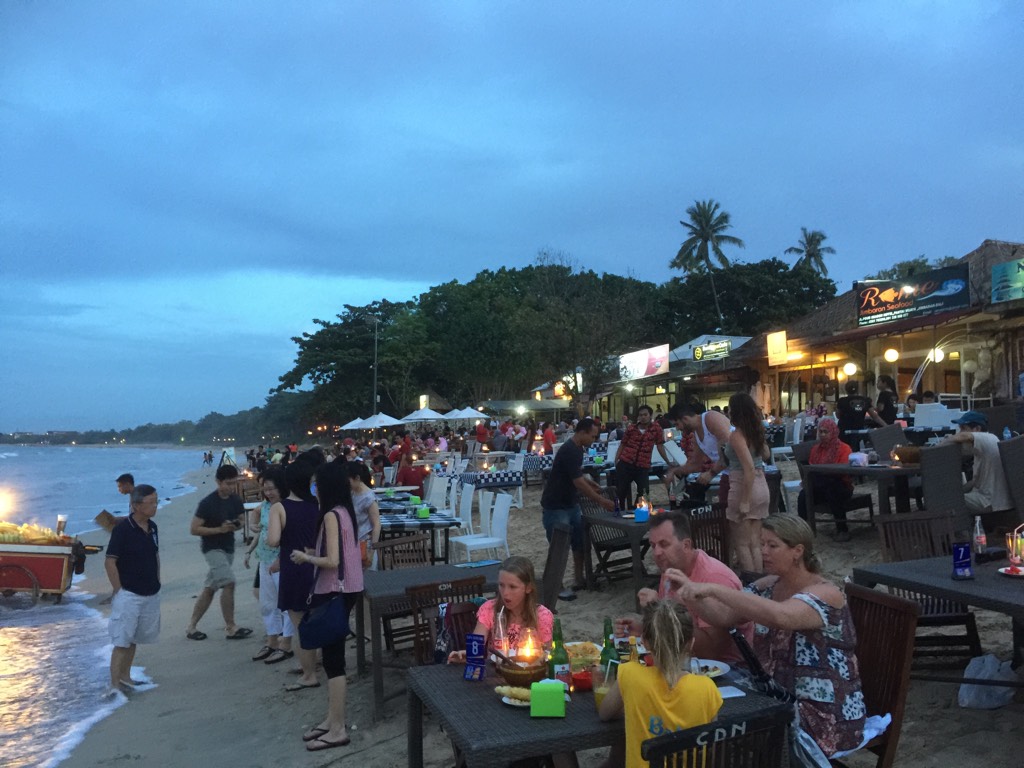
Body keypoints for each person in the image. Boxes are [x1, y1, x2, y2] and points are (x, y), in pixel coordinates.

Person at [669, 515, 866, 759]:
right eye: (762, 544)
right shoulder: (769, 585)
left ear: (797, 551)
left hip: (823, 713)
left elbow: (782, 616)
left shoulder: (827, 593)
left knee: (721, 720)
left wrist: (714, 588)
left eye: (772, 546)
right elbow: (724, 617)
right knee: (700, 701)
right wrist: (688, 592)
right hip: (773, 696)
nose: (763, 552)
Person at [288, 459, 362, 752]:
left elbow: (333, 561)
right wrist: (312, 551)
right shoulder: (345, 512)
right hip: (346, 590)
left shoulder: (332, 515)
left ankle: (338, 728)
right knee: (333, 659)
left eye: (316, 484)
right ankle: (331, 721)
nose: (313, 489)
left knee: (334, 661)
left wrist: (306, 558)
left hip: (335, 591)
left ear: (326, 486)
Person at [614, 510, 751, 663]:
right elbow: (672, 627)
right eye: (653, 545)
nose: (657, 552)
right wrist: (645, 628)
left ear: (686, 545)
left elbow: (711, 650)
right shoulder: (671, 568)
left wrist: (661, 613)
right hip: (683, 660)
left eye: (664, 544)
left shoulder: (713, 578)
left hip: (726, 670)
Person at [600, 600, 722, 768]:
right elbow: (710, 749)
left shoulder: (630, 674)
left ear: (645, 642)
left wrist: (633, 702)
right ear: (690, 643)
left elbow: (605, 713)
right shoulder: (707, 688)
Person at [268, 453, 325, 690]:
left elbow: (273, 540)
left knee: (300, 624)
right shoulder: (318, 506)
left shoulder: (280, 508)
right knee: (316, 619)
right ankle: (315, 663)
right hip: (316, 566)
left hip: (293, 567)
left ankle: (308, 674)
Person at [540, 417, 615, 594]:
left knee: (579, 542)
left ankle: (579, 579)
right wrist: (601, 501)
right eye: (593, 436)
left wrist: (591, 484)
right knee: (559, 547)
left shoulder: (577, 449)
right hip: (556, 505)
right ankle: (555, 585)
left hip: (570, 503)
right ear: (582, 433)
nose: (594, 440)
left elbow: (577, 475)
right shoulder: (570, 450)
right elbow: (578, 482)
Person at [105, 484, 160, 697]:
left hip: (150, 591)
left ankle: (125, 677)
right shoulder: (122, 530)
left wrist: (157, 579)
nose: (155, 506)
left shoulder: (153, 527)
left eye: (156, 501)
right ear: (136, 505)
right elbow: (110, 562)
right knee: (121, 640)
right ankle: (113, 685)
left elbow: (155, 555)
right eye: (151, 502)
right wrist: (118, 590)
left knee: (134, 637)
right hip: (129, 593)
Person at [185, 465, 251, 641]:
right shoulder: (207, 503)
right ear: (218, 481)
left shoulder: (235, 500)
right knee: (229, 582)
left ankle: (191, 627)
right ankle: (230, 627)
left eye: (233, 483)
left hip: (228, 548)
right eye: (228, 483)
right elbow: (194, 529)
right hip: (212, 549)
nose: (231, 487)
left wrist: (234, 525)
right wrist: (219, 530)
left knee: (210, 588)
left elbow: (242, 521)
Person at [447, 556, 553, 661]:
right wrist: (467, 656)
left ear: (528, 588)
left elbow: (547, 656)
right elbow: (476, 647)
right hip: (495, 673)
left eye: (512, 587)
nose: (505, 593)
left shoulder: (541, 616)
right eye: (501, 585)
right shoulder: (489, 609)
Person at [243, 467, 294, 664]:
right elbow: (259, 524)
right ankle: (272, 641)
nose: (268, 492)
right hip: (264, 560)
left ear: (281, 487)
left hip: (282, 562)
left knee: (286, 606)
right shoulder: (265, 506)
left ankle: (286, 644)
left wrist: (280, 561)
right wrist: (250, 547)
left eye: (271, 488)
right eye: (265, 488)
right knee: (267, 603)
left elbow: (291, 538)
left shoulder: (287, 507)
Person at [723, 392, 770, 572]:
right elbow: (765, 455)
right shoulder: (756, 432)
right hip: (762, 486)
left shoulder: (737, 436)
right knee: (755, 543)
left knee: (742, 544)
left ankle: (751, 584)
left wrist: (744, 501)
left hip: (744, 486)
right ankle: (759, 582)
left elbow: (747, 468)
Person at [661, 402, 733, 507]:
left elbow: (730, 450)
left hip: (743, 470)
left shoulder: (710, 418)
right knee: (726, 513)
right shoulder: (696, 435)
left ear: (685, 419)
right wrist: (674, 471)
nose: (677, 429)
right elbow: (695, 465)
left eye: (677, 424)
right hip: (728, 474)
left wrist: (711, 473)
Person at [944, 411, 1013, 518]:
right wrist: (957, 490)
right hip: (989, 499)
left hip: (990, 501)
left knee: (943, 501)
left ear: (977, 429)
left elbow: (963, 436)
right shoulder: (983, 447)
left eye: (963, 428)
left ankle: (961, 532)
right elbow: (975, 482)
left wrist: (941, 444)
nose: (960, 431)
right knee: (948, 496)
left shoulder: (987, 437)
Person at [797, 418, 854, 541]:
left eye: (826, 432)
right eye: (820, 431)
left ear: (833, 432)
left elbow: (844, 472)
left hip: (841, 485)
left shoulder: (844, 449)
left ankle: (842, 530)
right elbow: (811, 468)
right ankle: (802, 529)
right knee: (803, 495)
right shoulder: (816, 449)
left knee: (833, 489)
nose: (822, 435)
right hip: (821, 486)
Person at [614, 405, 673, 510]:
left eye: (645, 415)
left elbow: (660, 446)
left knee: (644, 492)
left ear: (650, 415)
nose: (643, 417)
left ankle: (638, 511)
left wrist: (668, 461)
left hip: (643, 465)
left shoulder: (656, 429)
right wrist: (616, 459)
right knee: (621, 491)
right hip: (626, 463)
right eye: (640, 415)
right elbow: (623, 444)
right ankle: (619, 513)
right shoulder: (631, 428)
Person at [346, 461, 382, 568]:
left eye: (348, 480)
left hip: (365, 545)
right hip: (352, 544)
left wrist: (372, 551)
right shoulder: (351, 493)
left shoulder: (369, 497)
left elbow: (376, 525)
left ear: (357, 478)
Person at [835, 381, 873, 450]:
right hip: (859, 431)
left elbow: (838, 415)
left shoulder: (842, 401)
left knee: (844, 450)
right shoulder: (864, 400)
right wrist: (885, 425)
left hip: (844, 431)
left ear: (846, 389)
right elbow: (874, 415)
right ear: (857, 389)